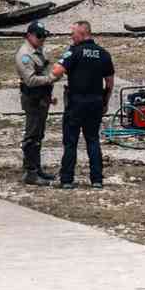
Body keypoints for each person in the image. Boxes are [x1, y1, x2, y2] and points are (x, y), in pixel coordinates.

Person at [50, 21, 115, 189]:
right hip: (95, 103)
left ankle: (67, 179)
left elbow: (57, 71)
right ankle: (97, 179)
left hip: (76, 103)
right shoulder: (103, 54)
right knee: (93, 140)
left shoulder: (74, 51)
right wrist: (105, 102)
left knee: (71, 142)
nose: (71, 37)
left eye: (73, 33)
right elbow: (109, 82)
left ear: (83, 33)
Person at [16, 20, 56, 185]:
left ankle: (36, 168)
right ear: (29, 36)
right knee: (32, 136)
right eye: (39, 36)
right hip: (32, 99)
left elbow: (43, 69)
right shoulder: (24, 55)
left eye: (44, 36)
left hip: (41, 99)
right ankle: (30, 172)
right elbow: (30, 80)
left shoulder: (37, 50)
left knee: (39, 135)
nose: (42, 39)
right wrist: (51, 78)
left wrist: (48, 96)